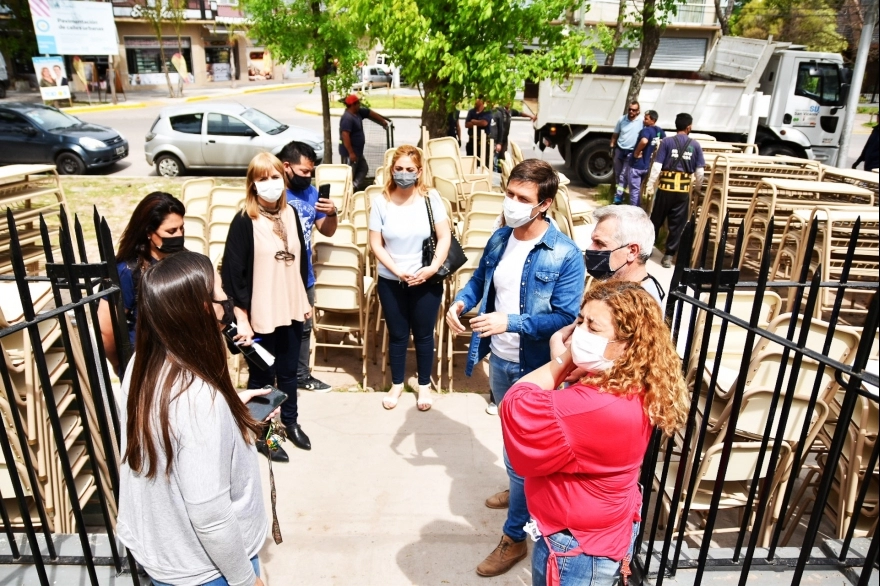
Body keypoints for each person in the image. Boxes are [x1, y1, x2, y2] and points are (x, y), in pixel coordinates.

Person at [446, 159, 585, 578]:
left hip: (536, 367)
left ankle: (514, 538)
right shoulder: (501, 237)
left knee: (528, 456)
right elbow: (480, 281)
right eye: (508, 194)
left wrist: (511, 322)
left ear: (543, 204)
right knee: (511, 439)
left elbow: (565, 317)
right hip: (501, 360)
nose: (511, 204)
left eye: (521, 199)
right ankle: (517, 487)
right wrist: (460, 302)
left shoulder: (565, 254)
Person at [500, 280, 688, 586]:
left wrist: (563, 359)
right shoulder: (634, 378)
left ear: (628, 344)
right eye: (580, 321)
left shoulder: (593, 408)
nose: (580, 333)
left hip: (576, 550)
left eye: (593, 327)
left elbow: (517, 404)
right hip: (599, 531)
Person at [117, 251, 276, 586]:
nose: (226, 302)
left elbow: (171, 436)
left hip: (167, 553)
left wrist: (233, 412)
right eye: (220, 296)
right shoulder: (199, 400)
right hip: (207, 570)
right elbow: (210, 515)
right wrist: (245, 580)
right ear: (204, 310)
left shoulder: (141, 365)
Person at [221, 152, 312, 458]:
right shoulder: (245, 221)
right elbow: (233, 276)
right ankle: (266, 436)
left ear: (283, 179)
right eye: (262, 179)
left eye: (275, 177)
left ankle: (291, 422)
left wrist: (302, 297)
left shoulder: (291, 215)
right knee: (262, 378)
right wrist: (242, 318)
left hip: (290, 307)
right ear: (253, 185)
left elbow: (300, 261)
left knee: (288, 373)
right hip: (259, 313)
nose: (270, 183)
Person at [370, 145, 451, 411]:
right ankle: (396, 384)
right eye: (399, 169)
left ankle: (424, 385)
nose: (404, 174)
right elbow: (376, 243)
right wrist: (395, 270)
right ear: (392, 170)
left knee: (424, 334)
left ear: (419, 171)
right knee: (398, 334)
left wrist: (432, 268)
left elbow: (444, 236)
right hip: (392, 279)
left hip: (425, 279)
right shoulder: (380, 201)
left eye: (409, 169)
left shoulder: (431, 198)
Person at [97, 192, 186, 374]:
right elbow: (107, 331)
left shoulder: (183, 259)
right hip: (145, 368)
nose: (179, 235)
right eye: (171, 231)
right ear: (148, 232)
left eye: (182, 228)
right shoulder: (127, 271)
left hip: (183, 362)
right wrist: (121, 365)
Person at [278, 140, 339, 393]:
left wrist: (332, 213)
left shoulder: (312, 193)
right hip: (277, 275)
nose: (308, 176)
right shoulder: (274, 191)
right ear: (286, 167)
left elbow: (327, 230)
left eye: (311, 172)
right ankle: (272, 376)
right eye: (304, 171)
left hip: (305, 275)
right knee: (276, 326)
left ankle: (301, 375)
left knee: (304, 328)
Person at [645, 112, 706, 268]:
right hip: (683, 191)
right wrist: (698, 188)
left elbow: (657, 167)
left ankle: (647, 249)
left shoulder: (666, 142)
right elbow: (700, 173)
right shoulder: (695, 145)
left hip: (665, 189)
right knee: (677, 225)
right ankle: (668, 256)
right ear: (689, 127)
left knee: (656, 220)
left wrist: (650, 185)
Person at [585, 205, 665, 306]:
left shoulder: (639, 308)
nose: (589, 248)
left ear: (632, 251)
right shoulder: (615, 281)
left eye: (600, 243)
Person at [338, 93, 391, 191]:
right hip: (350, 153)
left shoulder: (357, 113)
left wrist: (383, 121)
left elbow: (369, 112)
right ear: (353, 105)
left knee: (363, 168)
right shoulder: (347, 118)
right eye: (358, 103)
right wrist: (351, 153)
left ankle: (354, 187)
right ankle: (348, 192)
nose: (359, 105)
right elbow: (345, 136)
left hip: (358, 152)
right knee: (350, 174)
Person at [615, 110, 664, 206]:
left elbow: (644, 141)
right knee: (639, 189)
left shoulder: (646, 131)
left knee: (634, 191)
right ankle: (637, 208)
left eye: (646, 119)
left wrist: (636, 152)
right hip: (646, 166)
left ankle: (635, 211)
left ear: (653, 120)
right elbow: (663, 141)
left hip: (636, 165)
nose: (643, 121)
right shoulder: (659, 131)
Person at [610, 101, 644, 196]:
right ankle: (619, 193)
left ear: (638, 111)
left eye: (634, 110)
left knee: (623, 175)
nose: (631, 111)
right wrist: (612, 147)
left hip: (631, 151)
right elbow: (615, 135)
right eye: (629, 109)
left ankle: (618, 197)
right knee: (617, 173)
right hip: (620, 150)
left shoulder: (641, 121)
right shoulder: (622, 119)